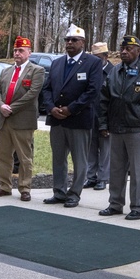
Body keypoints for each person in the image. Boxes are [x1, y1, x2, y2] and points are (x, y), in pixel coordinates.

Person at [97, 35, 140, 220]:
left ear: (138, 50)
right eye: (122, 49)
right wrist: (103, 124)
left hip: (138, 129)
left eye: (129, 49)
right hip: (116, 127)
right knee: (116, 169)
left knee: (137, 170)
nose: (124, 52)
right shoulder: (115, 71)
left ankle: (139, 207)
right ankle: (115, 204)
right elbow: (104, 100)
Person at [40, 24, 104, 208]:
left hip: (78, 118)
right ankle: (59, 192)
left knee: (79, 160)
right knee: (58, 158)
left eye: (74, 40)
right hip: (57, 119)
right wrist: (51, 108)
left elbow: (93, 91)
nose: (69, 43)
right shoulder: (57, 62)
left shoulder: (93, 63)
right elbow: (47, 89)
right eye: (67, 40)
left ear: (82, 42)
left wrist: (70, 109)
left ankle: (74, 193)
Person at [0, 36, 45, 202]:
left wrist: (11, 108)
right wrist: (0, 106)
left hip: (22, 121)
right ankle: (4, 186)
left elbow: (32, 95)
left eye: (21, 50)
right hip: (4, 120)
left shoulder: (37, 70)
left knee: (24, 157)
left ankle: (25, 188)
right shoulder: (6, 71)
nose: (17, 53)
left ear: (29, 52)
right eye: (15, 50)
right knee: (3, 156)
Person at [84, 42, 112, 191]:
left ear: (106, 57)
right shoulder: (89, 70)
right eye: (93, 57)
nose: (95, 60)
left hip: (105, 116)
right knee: (90, 148)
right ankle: (91, 177)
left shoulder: (113, 72)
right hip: (90, 114)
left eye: (98, 57)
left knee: (105, 150)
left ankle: (103, 178)